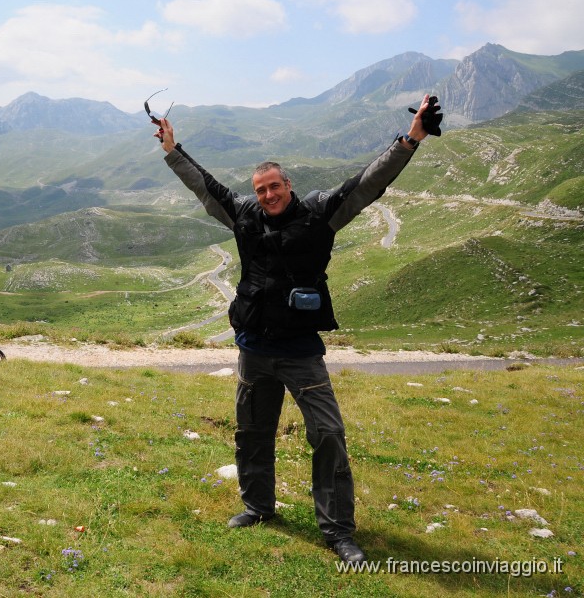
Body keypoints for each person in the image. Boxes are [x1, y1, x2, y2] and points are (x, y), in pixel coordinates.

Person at [155, 94, 442, 564]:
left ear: (288, 185)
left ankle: (338, 532)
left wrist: (410, 140)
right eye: (260, 188)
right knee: (251, 431)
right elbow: (204, 188)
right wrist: (172, 148)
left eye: (274, 186)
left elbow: (368, 184)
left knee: (327, 433)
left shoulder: (319, 214)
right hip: (253, 347)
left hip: (301, 352)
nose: (267, 195)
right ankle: (257, 506)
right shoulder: (243, 216)